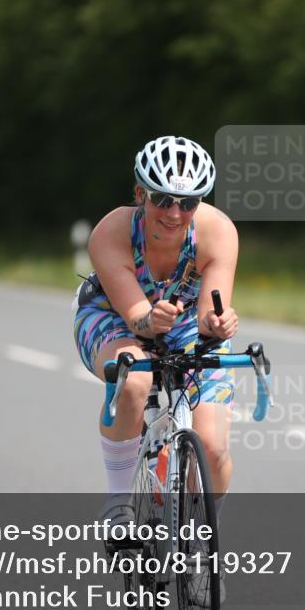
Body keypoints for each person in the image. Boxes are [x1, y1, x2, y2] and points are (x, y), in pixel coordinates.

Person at [74, 136, 238, 537]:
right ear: (140, 194)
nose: (175, 213)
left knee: (213, 449)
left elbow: (208, 314)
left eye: (188, 202)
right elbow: (136, 316)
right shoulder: (111, 231)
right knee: (135, 379)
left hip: (181, 321)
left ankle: (202, 542)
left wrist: (216, 324)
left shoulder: (217, 232)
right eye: (162, 199)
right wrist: (148, 320)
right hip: (112, 316)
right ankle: (118, 505)